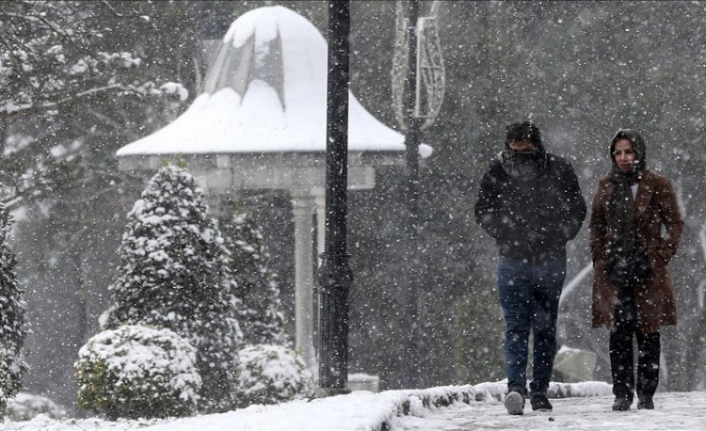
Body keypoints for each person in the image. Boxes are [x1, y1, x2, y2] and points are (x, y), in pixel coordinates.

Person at [474, 121, 587, 415]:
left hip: (545, 259)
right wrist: (507, 233)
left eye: (525, 148)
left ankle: (536, 389)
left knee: (540, 328)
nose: (520, 154)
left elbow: (577, 209)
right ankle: (519, 388)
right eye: (516, 148)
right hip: (515, 259)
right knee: (520, 327)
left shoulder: (559, 169)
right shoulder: (498, 171)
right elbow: (483, 210)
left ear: (535, 144)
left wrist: (557, 234)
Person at [589, 129, 683, 411]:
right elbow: (596, 225)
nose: (623, 158)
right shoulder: (606, 185)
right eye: (618, 152)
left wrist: (659, 255)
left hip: (647, 271)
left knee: (648, 333)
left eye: (628, 151)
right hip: (614, 271)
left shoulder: (657, 183)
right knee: (618, 333)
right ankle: (622, 393)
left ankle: (646, 394)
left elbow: (675, 224)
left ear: (638, 152)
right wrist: (602, 258)